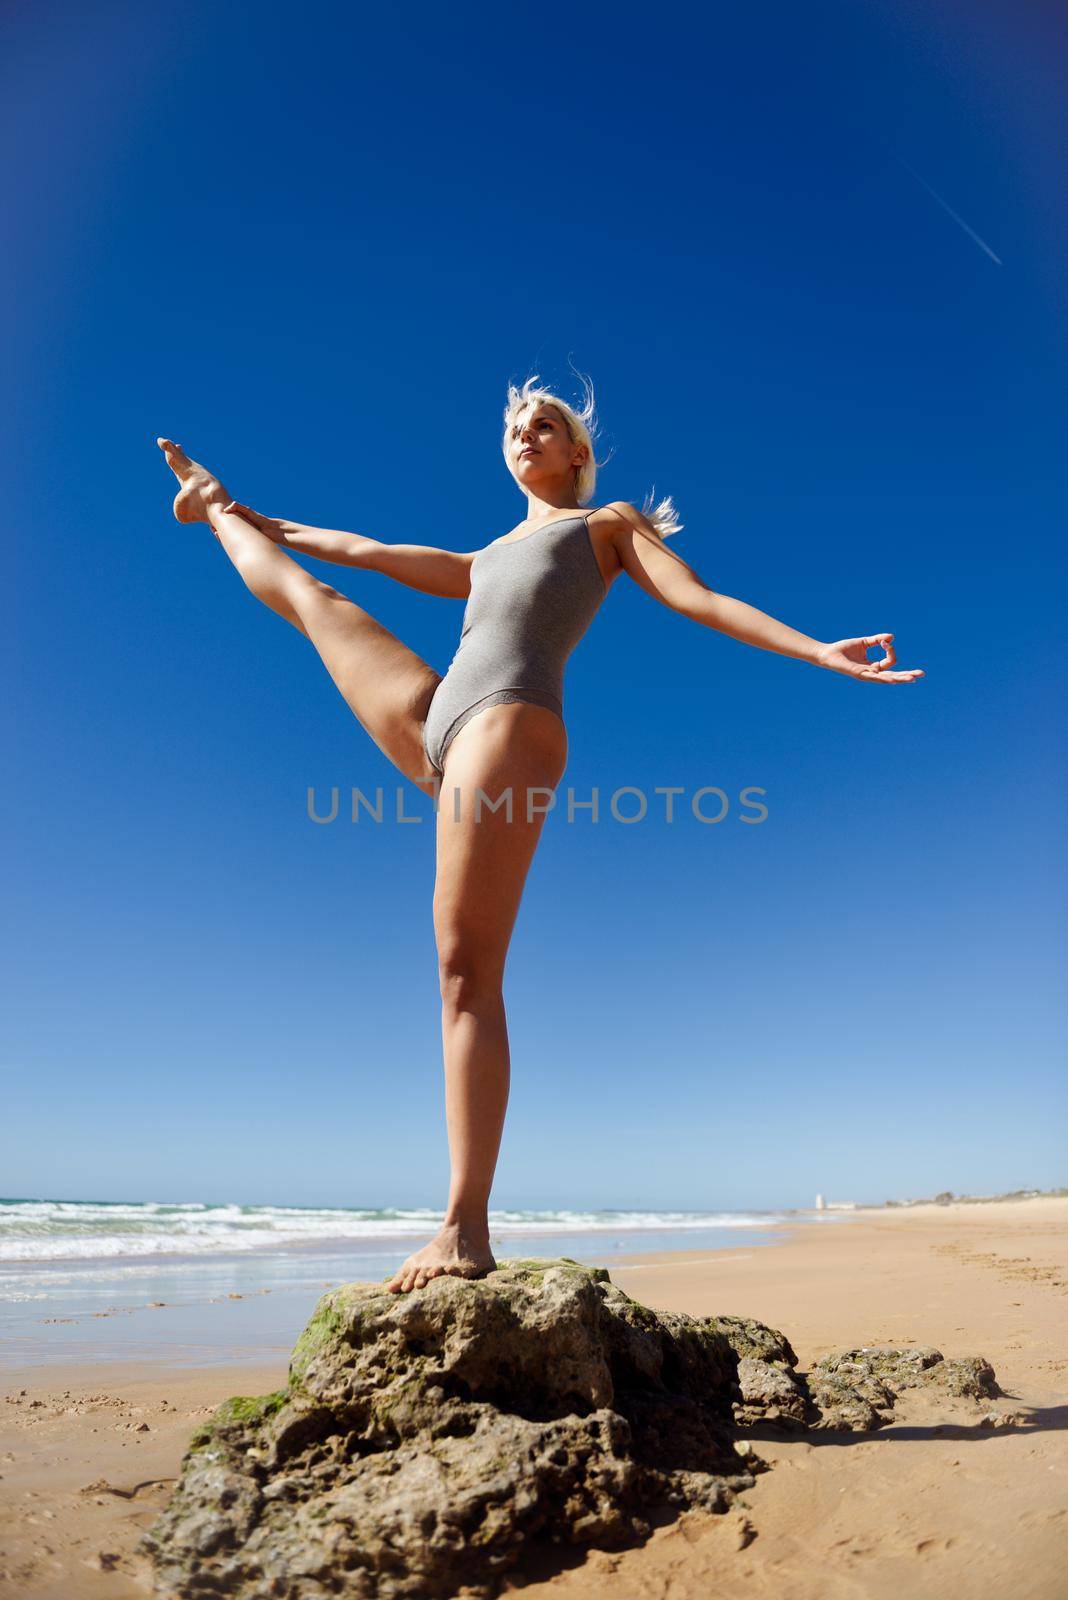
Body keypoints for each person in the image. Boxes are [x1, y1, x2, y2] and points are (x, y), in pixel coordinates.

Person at [157, 372, 923, 1294]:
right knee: (315, 598)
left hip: (510, 722)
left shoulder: (604, 526)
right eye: (516, 423)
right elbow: (363, 547)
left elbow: (700, 600)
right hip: (436, 716)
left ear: (576, 454)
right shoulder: (486, 556)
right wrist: (240, 506)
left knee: (464, 970)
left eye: (545, 422)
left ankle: (464, 1225)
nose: (526, 431)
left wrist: (815, 650)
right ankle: (212, 509)